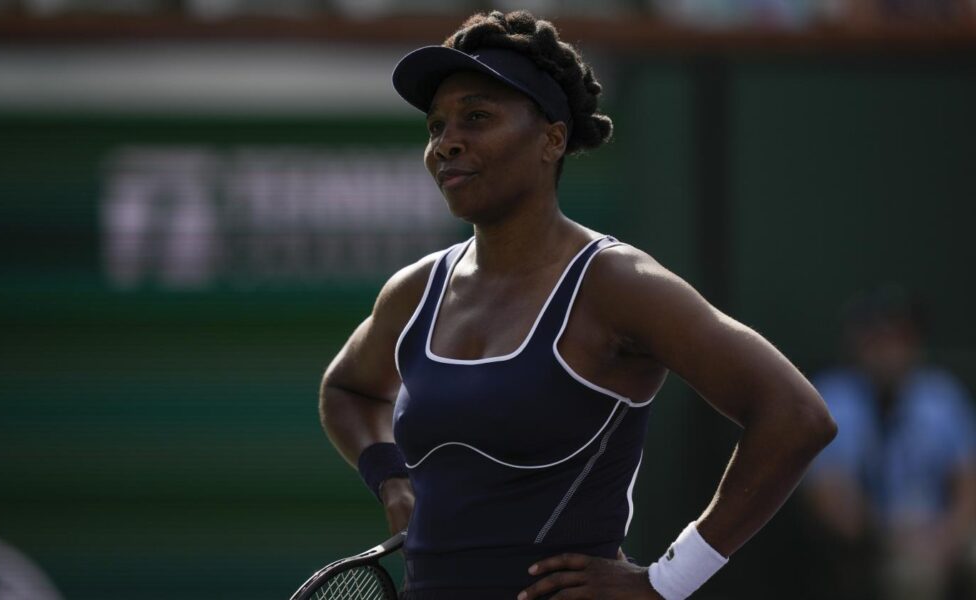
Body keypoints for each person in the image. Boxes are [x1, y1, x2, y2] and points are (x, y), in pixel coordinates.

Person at [319, 10, 837, 599]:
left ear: (553, 139)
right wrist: (392, 481)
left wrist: (666, 582)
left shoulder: (616, 284)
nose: (446, 143)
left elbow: (795, 416)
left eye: (477, 117)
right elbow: (347, 390)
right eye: (436, 126)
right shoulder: (415, 291)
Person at [805, 287, 976, 600]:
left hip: (940, 529)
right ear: (857, 344)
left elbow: (968, 481)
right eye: (878, 340)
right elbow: (830, 499)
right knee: (914, 577)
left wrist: (946, 537)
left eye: (899, 339)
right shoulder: (833, 399)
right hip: (878, 539)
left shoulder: (941, 397)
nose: (889, 352)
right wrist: (894, 538)